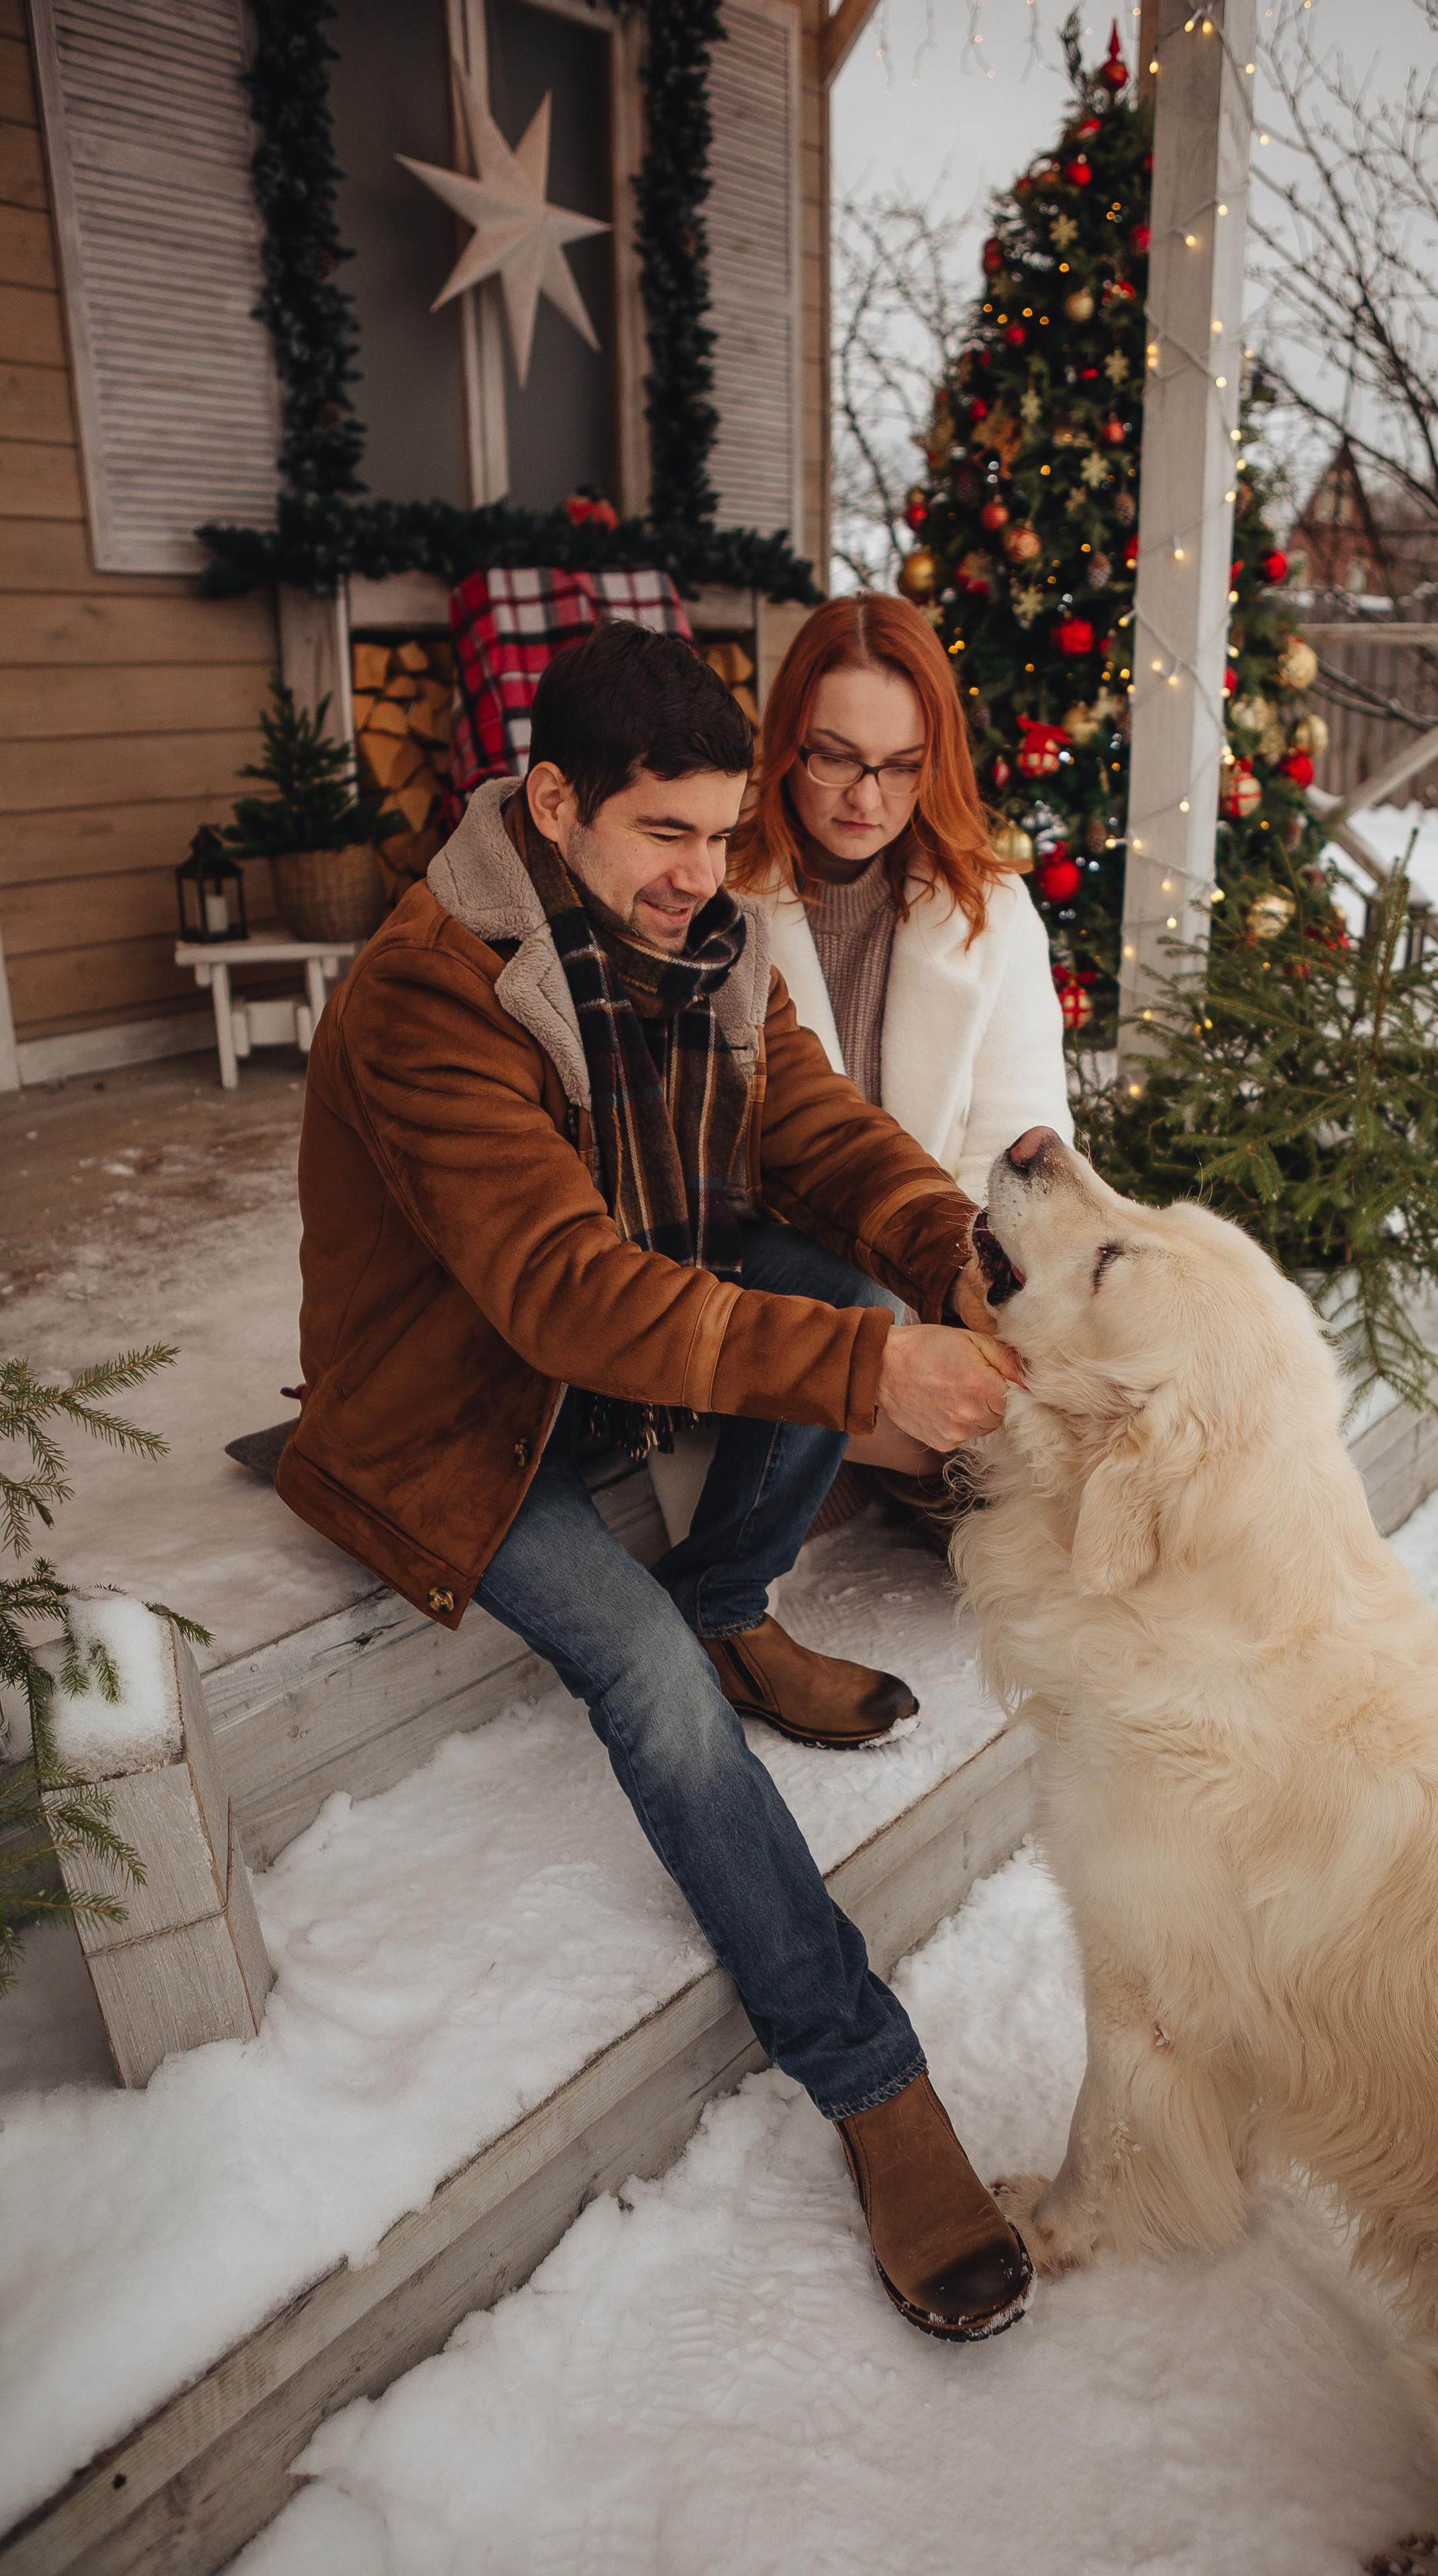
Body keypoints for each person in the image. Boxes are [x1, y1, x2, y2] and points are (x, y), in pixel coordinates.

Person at [276, 619, 1035, 2344]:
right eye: (664, 834)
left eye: (720, 831)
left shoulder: (712, 942)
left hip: (626, 1341)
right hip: (463, 1412)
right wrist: (872, 1376)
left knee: (844, 1283)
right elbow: (559, 1294)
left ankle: (726, 1601)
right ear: (554, 805)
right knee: (644, 1678)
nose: (706, 872)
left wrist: (958, 1258)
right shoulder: (427, 994)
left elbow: (817, 1134)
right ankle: (874, 2084)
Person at [723, 592, 1074, 1527]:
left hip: (945, 1283)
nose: (865, 798)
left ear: (936, 762)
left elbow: (1015, 1154)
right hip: (780, 1299)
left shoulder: (992, 911)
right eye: (835, 756)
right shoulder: (711, 896)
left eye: (901, 765)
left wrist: (957, 1320)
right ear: (787, 742)